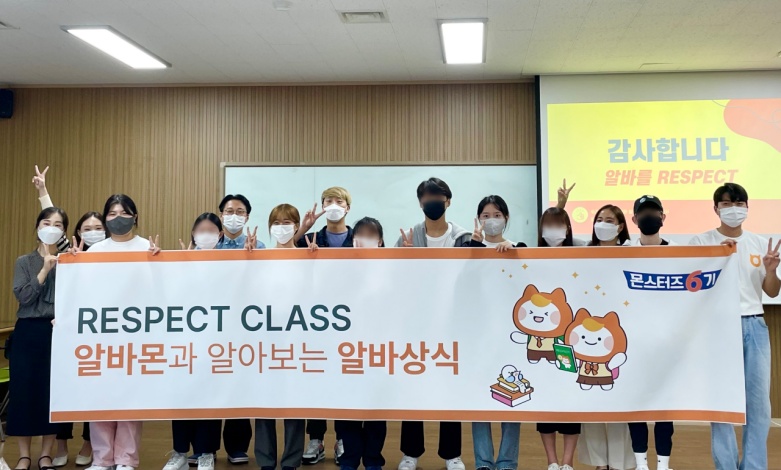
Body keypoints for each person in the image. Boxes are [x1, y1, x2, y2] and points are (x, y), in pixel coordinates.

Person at [690, 183, 780, 470]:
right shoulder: (700, 242)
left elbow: (772, 291)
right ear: (716, 208)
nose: (733, 209)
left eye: (739, 204)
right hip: (718, 326)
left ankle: (754, 465)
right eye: (727, 204)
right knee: (721, 402)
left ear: (747, 207)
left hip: (754, 324)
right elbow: (690, 287)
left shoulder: (759, 243)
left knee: (759, 405)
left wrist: (771, 270)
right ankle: (726, 465)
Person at [83, 194, 161, 470]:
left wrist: (160, 262)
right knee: (100, 396)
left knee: (130, 397)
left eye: (124, 213)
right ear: (105, 219)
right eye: (113, 214)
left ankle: (126, 459)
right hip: (100, 336)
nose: (119, 218)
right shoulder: (94, 251)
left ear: (135, 217)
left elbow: (159, 290)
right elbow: (82, 293)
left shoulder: (147, 248)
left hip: (135, 337)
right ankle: (102, 459)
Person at [394, 177, 467, 470]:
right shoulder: (408, 236)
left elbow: (473, 276)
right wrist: (405, 257)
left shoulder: (462, 238)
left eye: (438, 196)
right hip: (416, 326)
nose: (432, 201)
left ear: (448, 201)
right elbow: (395, 279)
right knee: (413, 389)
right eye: (426, 197)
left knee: (449, 390)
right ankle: (410, 453)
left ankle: (452, 455)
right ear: (420, 202)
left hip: (452, 324)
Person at [30, 165, 96, 466]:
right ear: (78, 233)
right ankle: (60, 445)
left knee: (91, 389)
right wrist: (43, 191)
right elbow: (52, 223)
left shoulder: (115, 253)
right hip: (67, 329)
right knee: (64, 386)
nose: (93, 233)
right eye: (87, 229)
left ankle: (89, 444)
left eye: (98, 228)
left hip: (97, 332)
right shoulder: (72, 251)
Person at [254, 203, 314, 470]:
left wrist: (317, 262)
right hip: (264, 341)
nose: (281, 228)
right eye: (276, 223)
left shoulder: (307, 257)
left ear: (296, 226)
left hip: (297, 341)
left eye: (287, 222)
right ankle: (265, 460)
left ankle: (291, 460)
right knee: (263, 403)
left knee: (294, 402)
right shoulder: (259, 257)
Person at [296, 187, 353, 465]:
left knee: (343, 378)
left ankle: (342, 438)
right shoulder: (311, 238)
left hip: (351, 320)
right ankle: (316, 439)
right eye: (328, 201)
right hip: (316, 320)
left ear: (347, 208)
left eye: (338, 201)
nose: (333, 205)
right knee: (316, 377)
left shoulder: (359, 237)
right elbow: (286, 256)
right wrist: (303, 229)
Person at [9, 207, 69, 470]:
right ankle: (24, 454)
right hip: (27, 331)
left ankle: (46, 454)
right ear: (37, 226)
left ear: (64, 232)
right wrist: (44, 270)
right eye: (46, 222)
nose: (51, 227)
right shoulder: (24, 261)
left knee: (51, 394)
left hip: (56, 332)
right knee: (23, 393)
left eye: (58, 224)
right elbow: (23, 297)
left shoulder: (69, 261)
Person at [469, 196, 524, 470]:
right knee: (480, 396)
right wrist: (474, 247)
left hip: (511, 335)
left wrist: (514, 254)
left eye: (497, 215)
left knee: (511, 394)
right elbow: (462, 280)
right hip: (477, 335)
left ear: (506, 218)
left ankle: (507, 462)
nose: (491, 220)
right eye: (486, 215)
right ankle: (483, 461)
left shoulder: (519, 248)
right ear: (478, 219)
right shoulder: (468, 248)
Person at [580, 206, 634, 470]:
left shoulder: (631, 254)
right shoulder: (582, 254)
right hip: (587, 334)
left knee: (617, 401)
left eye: (609, 220)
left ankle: (619, 463)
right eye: (599, 219)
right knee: (590, 402)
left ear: (621, 226)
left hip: (619, 332)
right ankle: (599, 463)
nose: (603, 224)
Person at [214, 194, 263, 465]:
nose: (234, 215)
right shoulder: (209, 245)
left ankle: (237, 447)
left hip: (246, 328)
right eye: (229, 211)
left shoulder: (259, 246)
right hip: (213, 326)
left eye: (240, 211)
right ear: (221, 215)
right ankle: (206, 448)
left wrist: (253, 258)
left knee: (239, 384)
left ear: (247, 217)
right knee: (211, 385)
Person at [627, 196, 675, 470]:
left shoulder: (679, 253)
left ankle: (663, 463)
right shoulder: (622, 253)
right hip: (633, 343)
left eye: (654, 212)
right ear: (634, 219)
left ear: (663, 217)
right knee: (637, 404)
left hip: (667, 343)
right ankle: (641, 463)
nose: (649, 217)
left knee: (665, 406)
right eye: (643, 213)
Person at [533, 208, 581, 470]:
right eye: (548, 225)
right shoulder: (532, 257)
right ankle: (552, 461)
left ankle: (567, 461)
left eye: (558, 225)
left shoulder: (581, 255)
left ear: (568, 229)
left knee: (571, 398)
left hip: (571, 338)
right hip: (541, 339)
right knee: (545, 399)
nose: (553, 230)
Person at [339, 217, 387, 470]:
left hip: (379, 350)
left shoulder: (391, 269)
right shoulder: (339, 267)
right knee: (347, 409)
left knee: (376, 410)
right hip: (347, 351)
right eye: (361, 234)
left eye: (372, 235)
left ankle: (372, 459)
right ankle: (349, 458)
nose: (366, 239)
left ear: (380, 241)